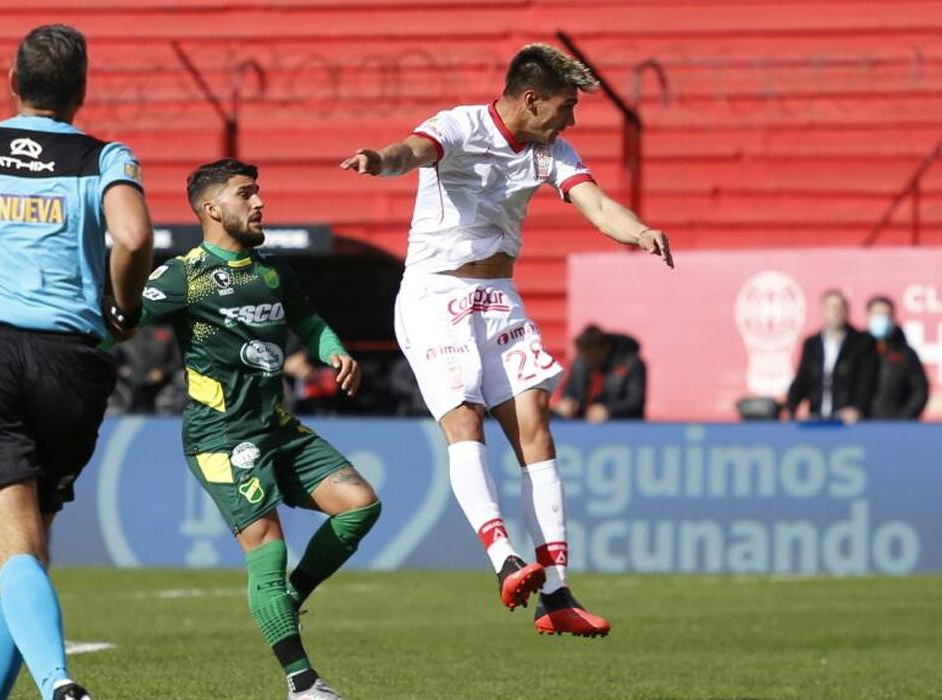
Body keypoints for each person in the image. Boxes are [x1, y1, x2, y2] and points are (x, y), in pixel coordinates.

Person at [342, 43, 672, 637]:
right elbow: (413, 151)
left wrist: (641, 231)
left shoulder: (551, 152)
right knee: (464, 421)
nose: (571, 119)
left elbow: (596, 205)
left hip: (498, 301)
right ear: (531, 98)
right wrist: (379, 159)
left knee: (535, 425)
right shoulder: (460, 125)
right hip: (434, 298)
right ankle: (506, 561)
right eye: (566, 106)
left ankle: (560, 593)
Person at [0, 24, 153, 700]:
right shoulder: (102, 157)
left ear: (12, 82)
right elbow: (133, 235)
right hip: (70, 364)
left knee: (11, 552)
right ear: (81, 91)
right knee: (6, 565)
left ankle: (59, 684)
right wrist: (123, 311)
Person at [139, 159, 380, 700]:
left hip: (277, 427)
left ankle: (287, 600)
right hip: (220, 437)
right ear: (212, 208)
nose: (259, 203)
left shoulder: (273, 271)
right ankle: (302, 682)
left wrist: (334, 348)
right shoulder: (185, 275)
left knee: (361, 504)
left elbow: (308, 323)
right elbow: (121, 320)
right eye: (245, 194)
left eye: (258, 192)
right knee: (267, 545)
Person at [786, 290, 876, 424]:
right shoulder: (812, 343)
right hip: (817, 416)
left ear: (847, 311)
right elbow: (802, 379)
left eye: (840, 307)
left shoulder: (862, 342)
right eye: (831, 307)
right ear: (822, 311)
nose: (836, 312)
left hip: (848, 420)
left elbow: (866, 381)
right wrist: (790, 408)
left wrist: (857, 408)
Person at [553, 325, 646, 421]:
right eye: (586, 357)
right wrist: (568, 402)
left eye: (593, 357)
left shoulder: (631, 364)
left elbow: (636, 401)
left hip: (621, 425)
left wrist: (608, 410)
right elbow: (570, 390)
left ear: (605, 348)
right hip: (582, 426)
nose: (590, 361)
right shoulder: (580, 363)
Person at [865, 295, 929, 419]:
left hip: (896, 423)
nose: (881, 319)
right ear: (868, 316)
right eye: (877, 314)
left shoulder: (906, 353)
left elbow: (920, 389)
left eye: (886, 315)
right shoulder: (856, 349)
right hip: (860, 424)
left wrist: (905, 417)